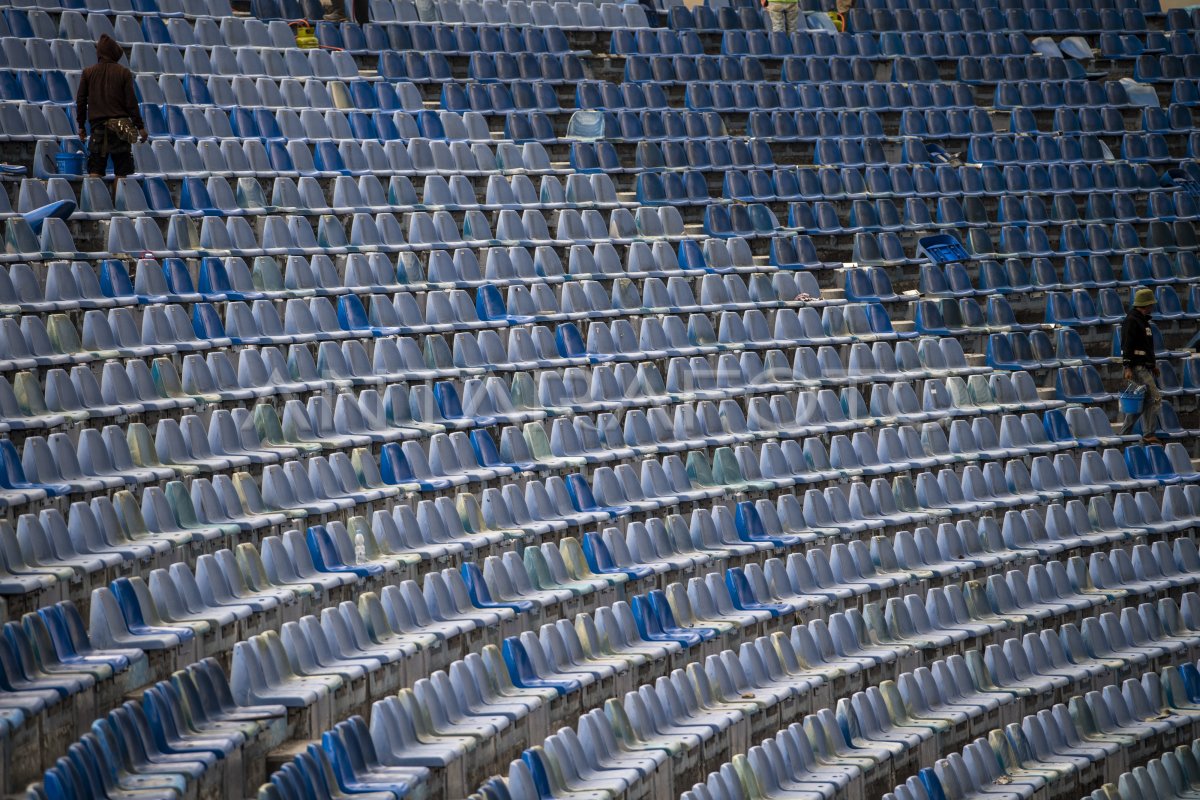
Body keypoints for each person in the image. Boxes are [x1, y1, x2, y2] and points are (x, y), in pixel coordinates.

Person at [75, 35, 146, 178]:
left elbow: (81, 101)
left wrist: (81, 125)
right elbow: (131, 103)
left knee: (95, 169)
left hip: (98, 128)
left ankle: (95, 200)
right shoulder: (123, 72)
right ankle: (118, 200)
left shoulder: (88, 73)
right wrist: (140, 127)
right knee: (121, 173)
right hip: (121, 127)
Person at [1120, 287, 1162, 443]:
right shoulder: (1132, 320)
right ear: (1146, 304)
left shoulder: (1143, 321)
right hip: (1137, 367)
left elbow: (1146, 347)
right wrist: (1127, 366)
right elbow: (1127, 345)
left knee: (1141, 402)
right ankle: (1149, 433)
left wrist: (1152, 365)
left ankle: (1124, 435)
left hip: (1144, 366)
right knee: (1155, 397)